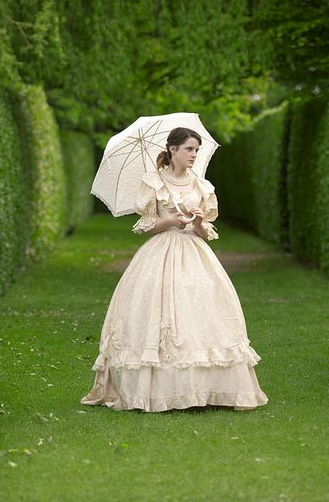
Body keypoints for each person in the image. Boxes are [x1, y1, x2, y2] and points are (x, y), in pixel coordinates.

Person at [80, 126, 269, 412]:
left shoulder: (201, 185)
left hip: (195, 254)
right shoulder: (153, 182)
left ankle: (205, 390)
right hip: (161, 253)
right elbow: (145, 226)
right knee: (158, 313)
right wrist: (171, 222)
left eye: (196, 149)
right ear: (173, 150)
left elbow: (207, 232)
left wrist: (195, 224)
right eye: (189, 149)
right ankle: (155, 391)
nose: (194, 154)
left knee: (201, 313)